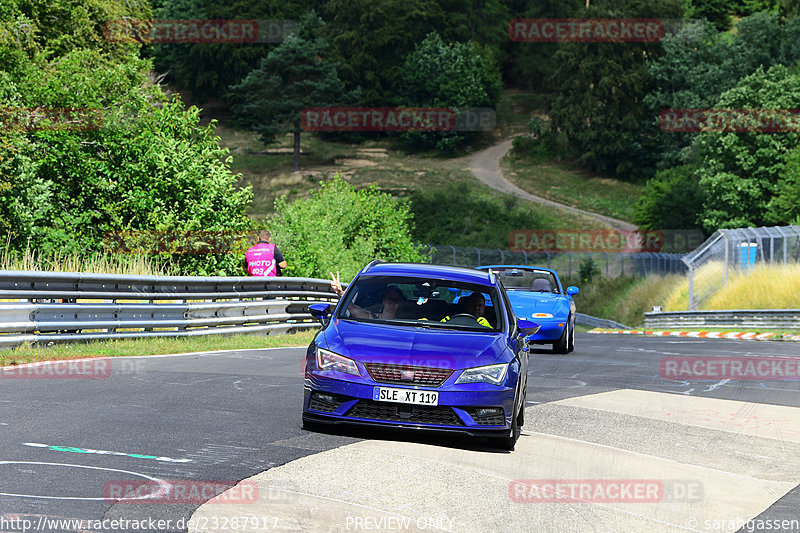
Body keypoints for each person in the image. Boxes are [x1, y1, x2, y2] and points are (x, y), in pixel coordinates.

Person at [330, 271, 403, 320]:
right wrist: (340, 293)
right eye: (389, 299)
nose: (392, 302)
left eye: (395, 300)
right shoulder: (371, 317)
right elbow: (351, 307)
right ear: (383, 301)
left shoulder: (405, 322)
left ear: (399, 304)